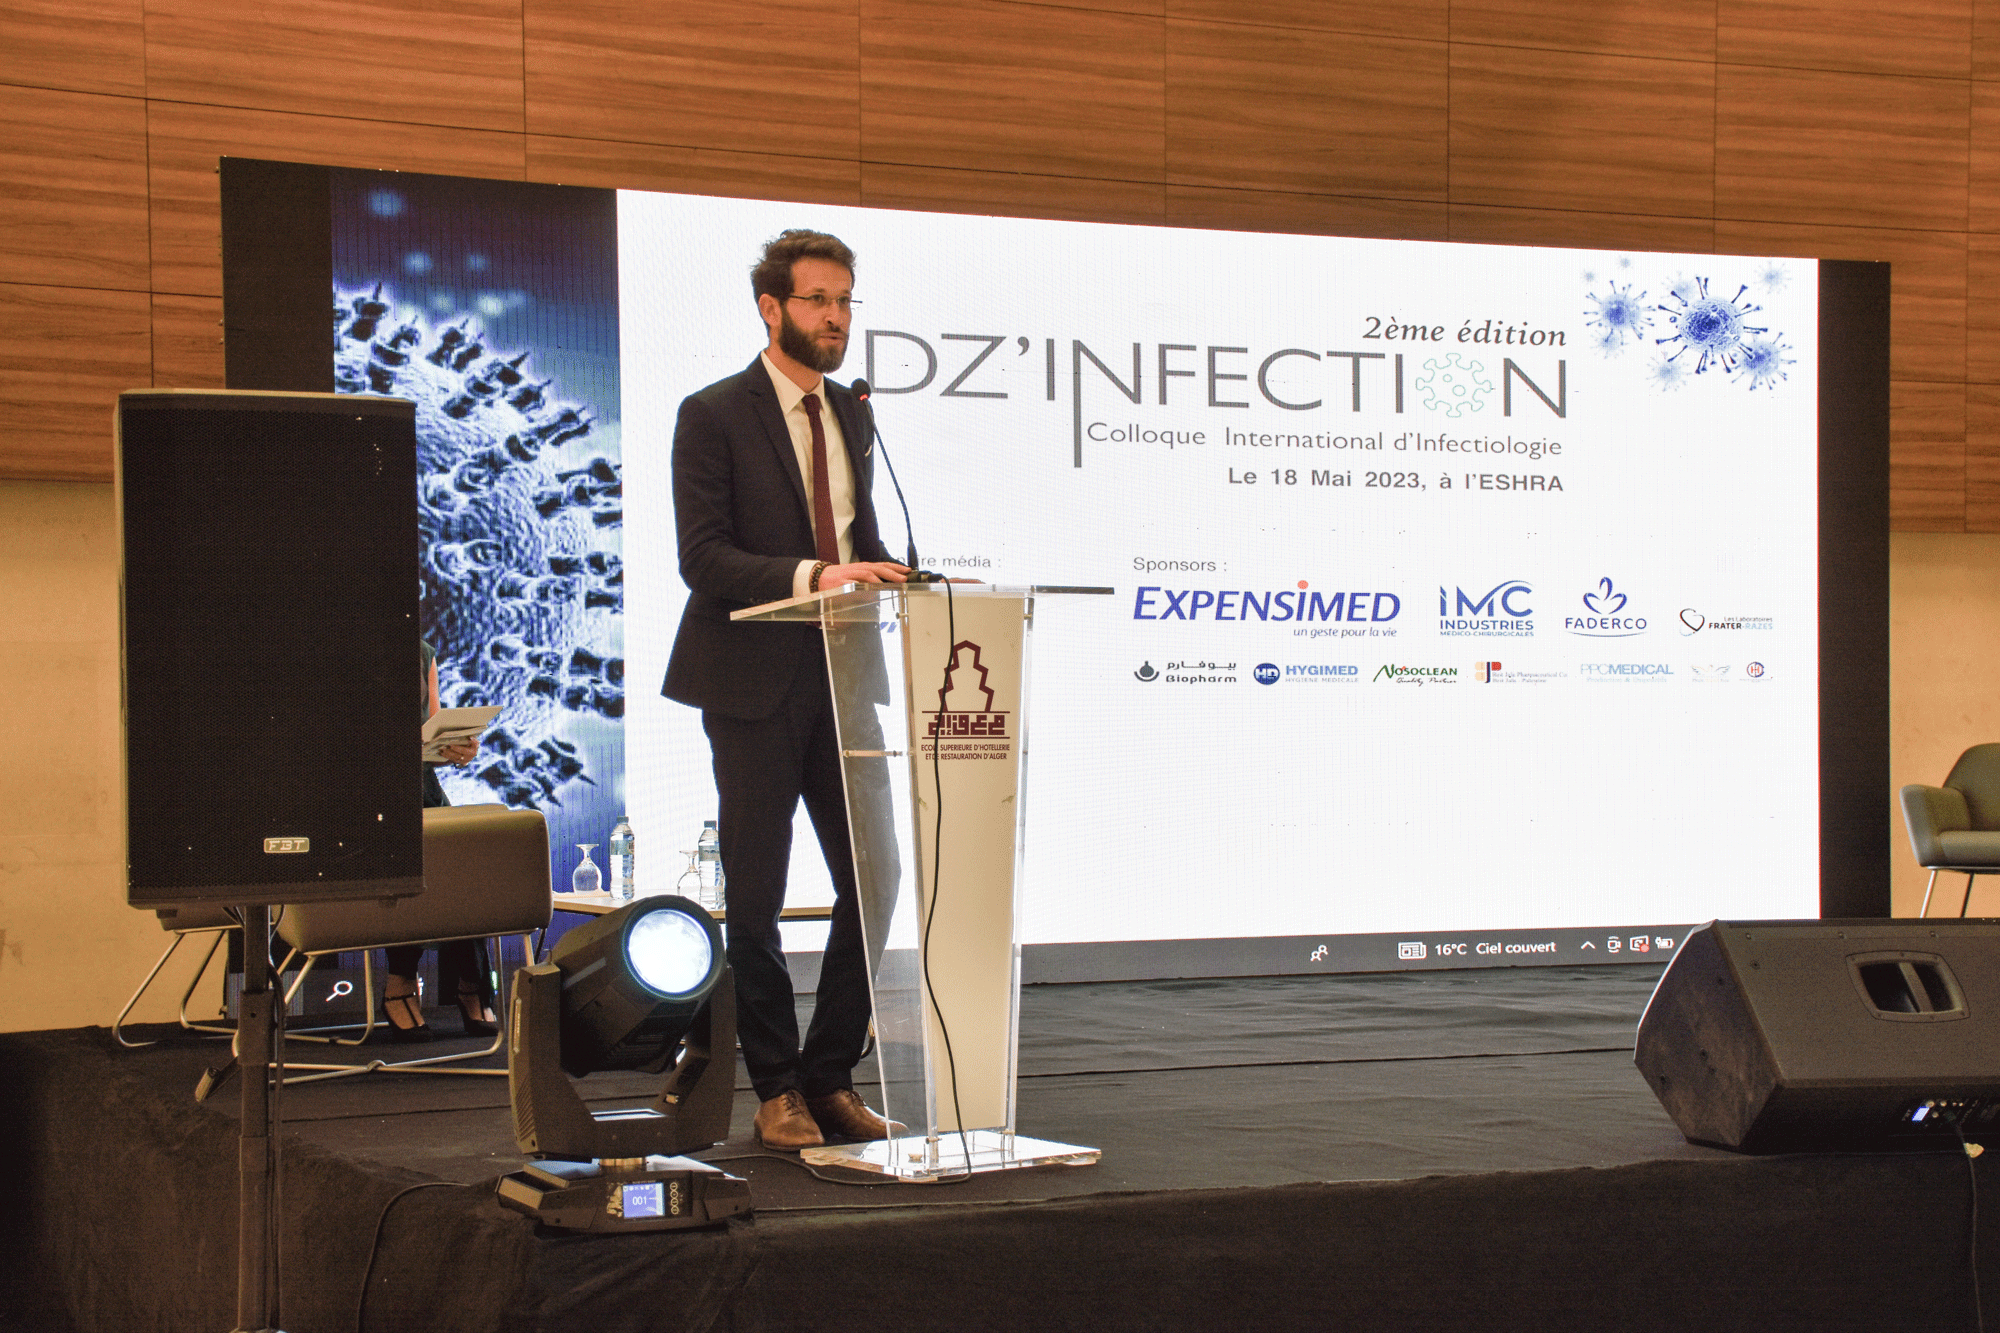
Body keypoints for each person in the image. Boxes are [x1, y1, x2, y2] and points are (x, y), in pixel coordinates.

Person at [662, 229, 909, 1150]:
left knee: (875, 879)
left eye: (844, 301)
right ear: (771, 308)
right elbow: (704, 558)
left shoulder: (851, 412)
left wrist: (898, 574)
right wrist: (817, 575)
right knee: (758, 893)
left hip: (845, 674)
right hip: (752, 681)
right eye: (817, 300)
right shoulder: (712, 413)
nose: (836, 317)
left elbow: (856, 535)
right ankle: (775, 1087)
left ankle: (829, 1074)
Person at [378, 640, 494, 1042]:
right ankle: (400, 982)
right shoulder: (336, 646)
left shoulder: (422, 651)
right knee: (410, 847)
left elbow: (429, 734)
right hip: (368, 796)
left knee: (464, 855)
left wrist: (455, 748)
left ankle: (472, 983)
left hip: (421, 789)